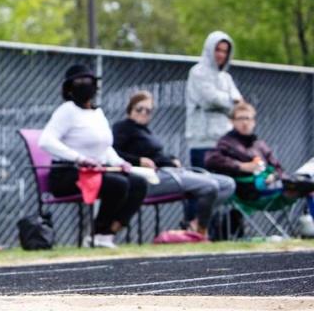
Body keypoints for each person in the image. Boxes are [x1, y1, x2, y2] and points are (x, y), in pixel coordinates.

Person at [39, 65, 149, 248]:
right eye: (79, 82)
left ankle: (106, 233)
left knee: (138, 183)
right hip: (67, 175)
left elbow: (105, 147)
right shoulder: (66, 111)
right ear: (69, 88)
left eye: (89, 81)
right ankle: (97, 231)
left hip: (96, 173)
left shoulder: (98, 113)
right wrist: (79, 158)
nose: (85, 85)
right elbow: (46, 141)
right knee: (117, 184)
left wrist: (120, 162)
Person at [113, 91, 234, 239]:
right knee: (210, 186)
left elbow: (156, 155)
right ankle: (200, 233)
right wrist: (137, 161)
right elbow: (114, 154)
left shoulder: (145, 131)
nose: (144, 113)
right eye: (139, 109)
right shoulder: (122, 127)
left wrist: (172, 159)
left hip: (171, 171)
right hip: (153, 178)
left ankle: (195, 223)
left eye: (148, 110)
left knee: (228, 184)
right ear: (130, 109)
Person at [205, 102, 314, 237]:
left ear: (254, 121)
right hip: (245, 192)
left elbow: (278, 168)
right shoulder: (226, 143)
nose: (245, 122)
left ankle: (309, 229)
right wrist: (241, 166)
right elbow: (211, 160)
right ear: (232, 121)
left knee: (307, 185)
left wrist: (273, 176)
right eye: (240, 118)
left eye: (248, 118)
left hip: (273, 188)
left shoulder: (260, 145)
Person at [185, 31, 242, 169]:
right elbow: (211, 100)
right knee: (206, 185)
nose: (221, 55)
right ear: (209, 49)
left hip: (224, 142)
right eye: (217, 50)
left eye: (225, 51)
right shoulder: (198, 72)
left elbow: (240, 105)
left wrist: (230, 103)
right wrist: (230, 101)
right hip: (202, 142)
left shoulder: (226, 77)